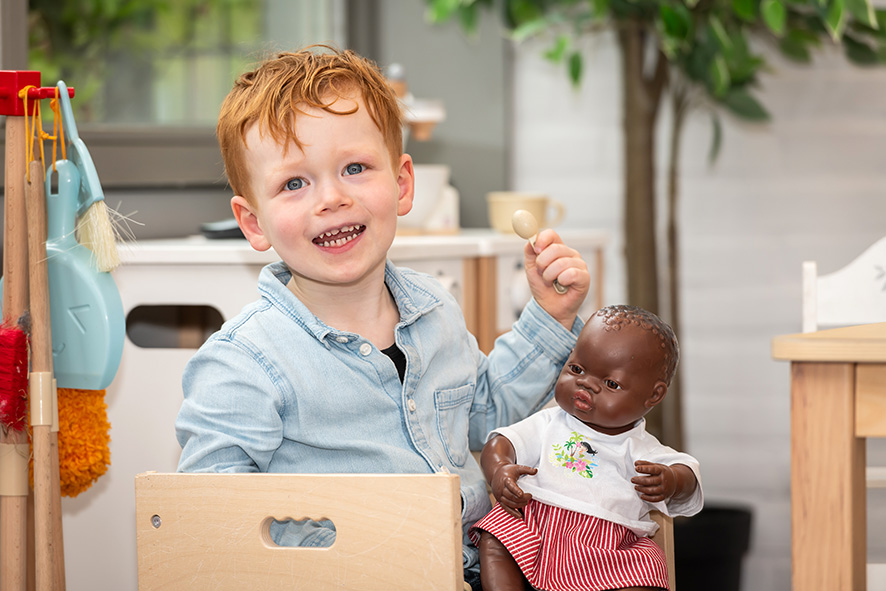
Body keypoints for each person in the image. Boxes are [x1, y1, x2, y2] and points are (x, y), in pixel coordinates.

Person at [174, 45, 591, 586]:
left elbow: (488, 416)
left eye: (355, 168)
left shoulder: (434, 309)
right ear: (253, 222)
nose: (331, 198)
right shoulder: (243, 363)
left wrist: (550, 317)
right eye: (294, 183)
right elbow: (207, 523)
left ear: (402, 184)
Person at [471, 305, 703, 591]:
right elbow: (500, 442)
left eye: (610, 383)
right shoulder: (550, 422)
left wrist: (671, 480)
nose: (585, 384)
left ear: (653, 395)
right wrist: (500, 469)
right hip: (539, 534)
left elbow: (688, 473)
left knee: (649, 565)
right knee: (496, 531)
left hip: (606, 553)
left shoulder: (640, 447)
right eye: (577, 369)